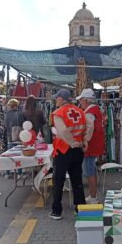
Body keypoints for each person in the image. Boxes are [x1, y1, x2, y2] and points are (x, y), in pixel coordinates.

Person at [50, 89, 92, 220]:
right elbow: (90, 126)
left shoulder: (58, 113)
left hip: (64, 150)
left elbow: (62, 132)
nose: (55, 100)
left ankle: (56, 211)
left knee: (58, 180)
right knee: (77, 179)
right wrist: (84, 141)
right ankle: (80, 208)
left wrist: (72, 143)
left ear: (62, 99)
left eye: (57, 98)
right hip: (77, 151)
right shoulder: (80, 111)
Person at [76, 88, 105, 204]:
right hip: (95, 144)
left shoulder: (89, 112)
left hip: (90, 146)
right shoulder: (96, 110)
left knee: (89, 172)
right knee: (91, 170)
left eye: (81, 100)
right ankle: (94, 195)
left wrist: (85, 141)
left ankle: (93, 197)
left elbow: (90, 127)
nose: (80, 102)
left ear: (86, 100)